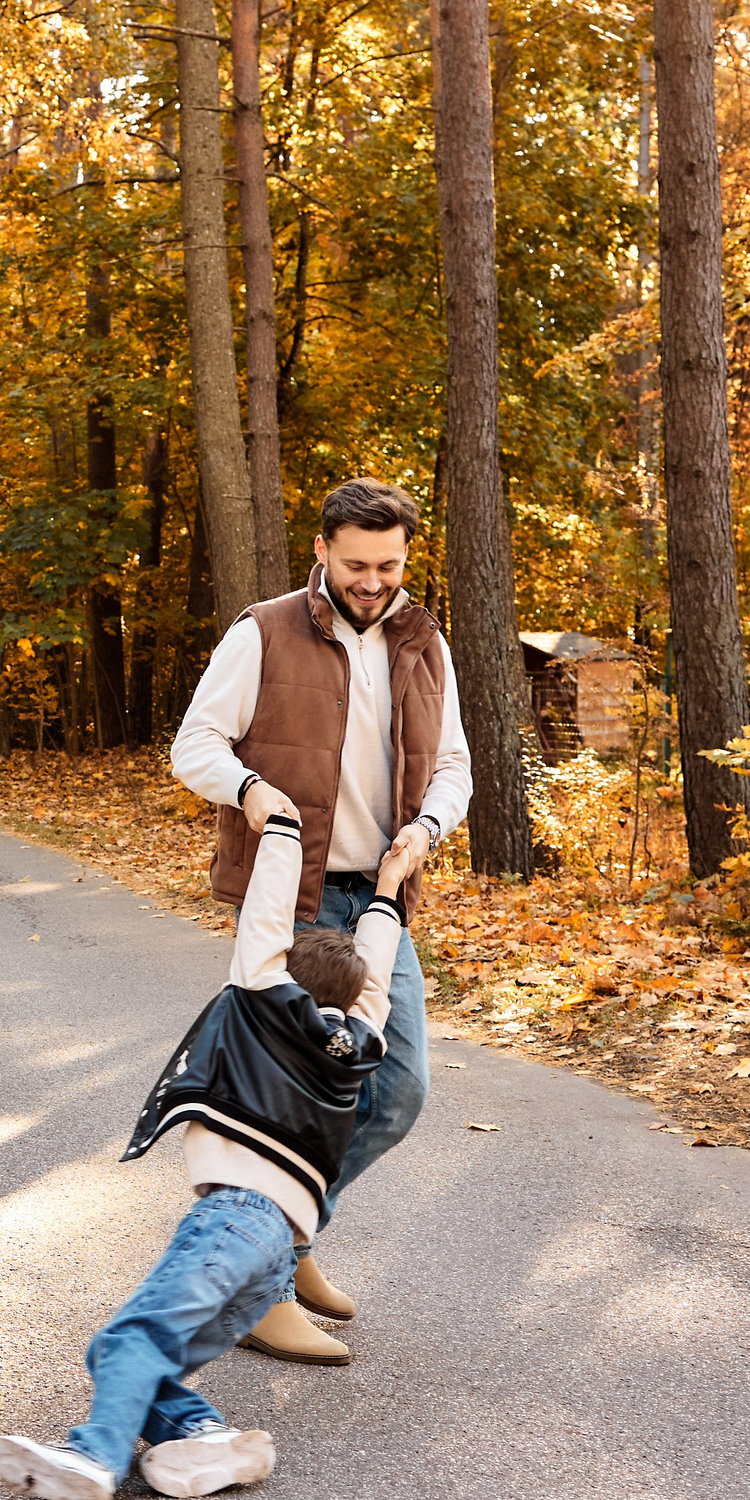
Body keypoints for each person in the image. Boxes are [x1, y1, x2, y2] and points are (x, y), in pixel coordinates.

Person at [0, 807, 414, 1500]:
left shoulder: (263, 999)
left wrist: (281, 827)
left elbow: (266, 920)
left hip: (234, 1218)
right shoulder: (360, 1044)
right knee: (135, 1355)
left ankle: (94, 1460)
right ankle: (205, 1437)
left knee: (132, 1338)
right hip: (277, 1252)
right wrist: (389, 889)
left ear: (279, 972)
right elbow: (373, 981)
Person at [168, 478, 470, 1365]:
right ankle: (258, 1292)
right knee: (288, 1103)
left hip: (382, 895)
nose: (373, 581)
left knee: (397, 1086)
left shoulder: (424, 643)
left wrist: (427, 828)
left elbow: (453, 764)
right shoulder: (263, 631)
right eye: (357, 564)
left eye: (389, 565)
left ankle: (287, 1237)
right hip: (291, 899)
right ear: (322, 550)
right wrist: (251, 790)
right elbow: (195, 744)